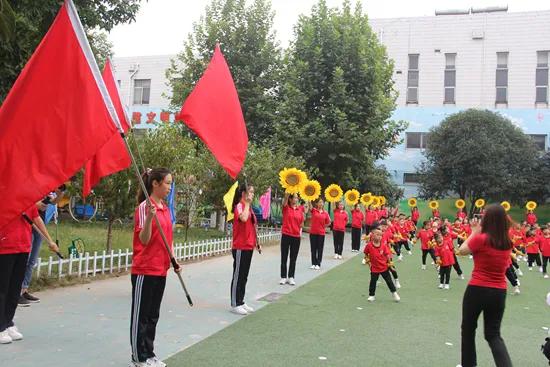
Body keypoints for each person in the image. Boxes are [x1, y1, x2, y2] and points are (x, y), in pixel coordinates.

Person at [130, 168, 181, 367]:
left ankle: (149, 353)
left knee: (153, 315)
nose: (170, 187)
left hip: (161, 269)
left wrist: (174, 261)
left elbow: (168, 239)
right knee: (141, 315)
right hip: (145, 269)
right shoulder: (145, 208)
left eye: (170, 183)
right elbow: (143, 239)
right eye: (167, 183)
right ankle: (137, 356)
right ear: (155, 184)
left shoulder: (166, 209)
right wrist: (150, 218)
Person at [457, 204, 513, 367]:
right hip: (499, 292)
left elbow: (462, 250)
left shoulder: (482, 239)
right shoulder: (507, 241)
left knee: (468, 329)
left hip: (477, 289)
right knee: (493, 335)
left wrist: (474, 232)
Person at [0, 205, 58, 345]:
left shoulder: (26, 199)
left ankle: (8, 322)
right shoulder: (4, 197)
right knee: (2, 289)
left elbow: (36, 218)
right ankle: (1, 326)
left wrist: (49, 240)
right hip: (4, 248)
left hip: (23, 246)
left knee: (15, 289)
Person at [19, 185, 65, 306]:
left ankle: (24, 289)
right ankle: (16, 292)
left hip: (39, 226)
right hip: (27, 224)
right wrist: (41, 203)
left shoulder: (47, 187)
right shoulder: (30, 186)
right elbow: (30, 206)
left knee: (32, 261)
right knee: (25, 258)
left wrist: (60, 194)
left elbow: (53, 202)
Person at [230, 183, 260, 315]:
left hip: (249, 245)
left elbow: (253, 225)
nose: (252, 195)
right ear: (243, 193)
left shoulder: (249, 207)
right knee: (238, 275)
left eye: (253, 192)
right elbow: (243, 218)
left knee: (244, 276)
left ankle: (241, 300)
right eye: (250, 192)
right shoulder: (239, 205)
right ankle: (235, 303)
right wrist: (247, 204)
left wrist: (257, 242)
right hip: (240, 246)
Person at [363, 228, 400, 303]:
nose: (379, 236)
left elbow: (387, 255)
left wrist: (390, 264)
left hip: (384, 267)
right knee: (373, 282)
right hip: (374, 268)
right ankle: (371, 295)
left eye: (380, 235)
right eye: (377, 234)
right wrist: (367, 260)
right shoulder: (369, 245)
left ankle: (394, 293)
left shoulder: (383, 245)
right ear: (372, 235)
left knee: (389, 281)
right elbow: (366, 253)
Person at [280, 193, 307, 286]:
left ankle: (291, 277)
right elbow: (284, 202)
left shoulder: (300, 209)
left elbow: (302, 223)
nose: (296, 199)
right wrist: (286, 195)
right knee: (284, 257)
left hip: (296, 236)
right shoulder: (286, 208)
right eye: (294, 197)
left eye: (297, 197)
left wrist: (301, 223)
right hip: (286, 235)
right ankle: (283, 277)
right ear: (290, 199)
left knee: (293, 258)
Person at [308, 198, 330, 270]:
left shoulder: (325, 213)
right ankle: (313, 263)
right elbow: (310, 205)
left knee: (320, 249)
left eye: (322, 202)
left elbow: (329, 222)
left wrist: (324, 227)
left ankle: (318, 263)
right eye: (319, 202)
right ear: (317, 204)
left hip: (321, 234)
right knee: (313, 248)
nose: (321, 204)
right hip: (313, 233)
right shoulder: (314, 210)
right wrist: (308, 198)